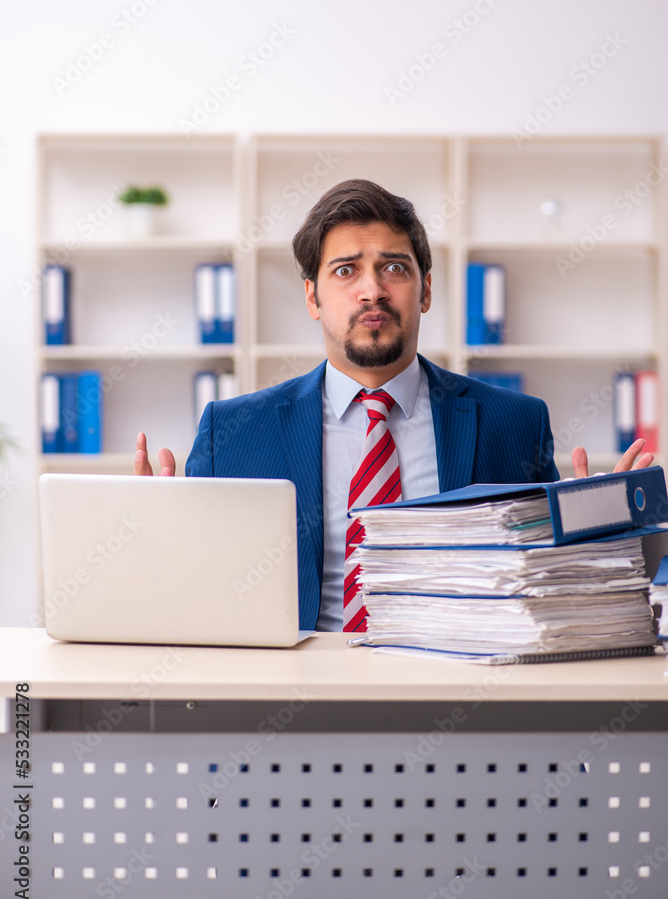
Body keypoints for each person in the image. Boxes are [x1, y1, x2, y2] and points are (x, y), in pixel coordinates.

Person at [135, 179, 653, 631]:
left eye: (394, 268)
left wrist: (602, 536)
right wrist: (161, 541)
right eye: (345, 271)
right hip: (289, 706)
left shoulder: (513, 423)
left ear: (425, 290)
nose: (372, 290)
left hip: (459, 695)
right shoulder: (235, 432)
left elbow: (539, 587)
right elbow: (196, 602)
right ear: (312, 297)